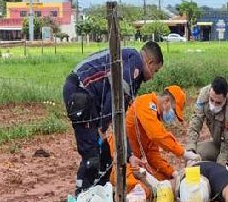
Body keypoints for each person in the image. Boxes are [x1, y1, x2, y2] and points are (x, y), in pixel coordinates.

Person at [62, 41, 163, 194]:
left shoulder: (130, 65)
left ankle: (97, 195)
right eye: (155, 71)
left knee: (105, 157)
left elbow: (119, 119)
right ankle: (81, 197)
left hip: (87, 97)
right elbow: (115, 97)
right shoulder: (134, 61)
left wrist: (129, 156)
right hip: (80, 92)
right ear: (149, 62)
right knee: (92, 154)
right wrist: (102, 127)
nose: (153, 76)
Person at [126, 85, 200, 180]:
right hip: (123, 159)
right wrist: (183, 153)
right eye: (173, 111)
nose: (172, 116)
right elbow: (157, 135)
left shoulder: (155, 118)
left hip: (135, 161)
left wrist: (172, 173)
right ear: (166, 100)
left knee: (164, 178)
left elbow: (152, 154)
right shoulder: (145, 103)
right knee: (143, 189)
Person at [186, 76, 228, 182]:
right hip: (218, 143)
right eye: (211, 100)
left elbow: (227, 141)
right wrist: (190, 150)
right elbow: (194, 124)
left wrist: (221, 165)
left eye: (218, 103)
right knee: (196, 155)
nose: (213, 105)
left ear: (225, 98)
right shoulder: (204, 95)